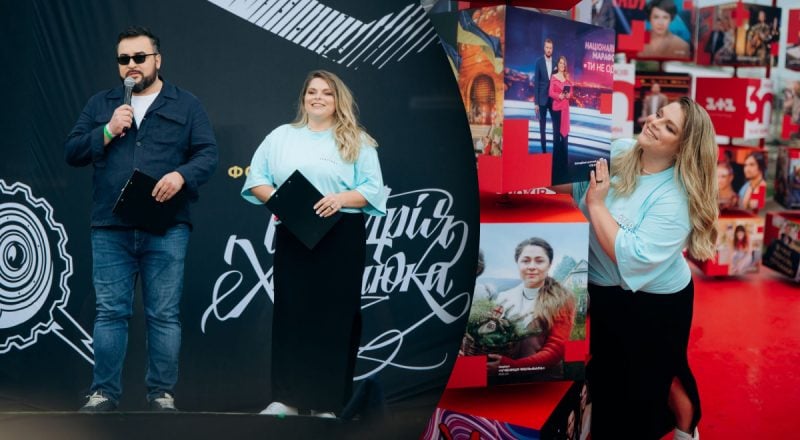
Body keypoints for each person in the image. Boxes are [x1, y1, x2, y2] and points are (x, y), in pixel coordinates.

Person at [64, 26, 219, 412]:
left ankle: (161, 395)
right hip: (110, 226)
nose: (131, 65)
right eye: (124, 59)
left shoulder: (186, 104)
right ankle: (103, 393)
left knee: (163, 314)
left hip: (166, 226)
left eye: (139, 57)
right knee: (110, 312)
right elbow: (72, 151)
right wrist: (107, 130)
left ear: (157, 60)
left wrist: (181, 175)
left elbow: (207, 154)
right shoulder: (102, 104)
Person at [555, 96, 717, 439]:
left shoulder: (676, 199)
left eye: (669, 127)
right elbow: (573, 184)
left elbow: (632, 256)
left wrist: (597, 204)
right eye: (659, 115)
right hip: (606, 291)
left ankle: (686, 428)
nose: (654, 123)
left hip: (656, 304)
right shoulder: (620, 151)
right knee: (609, 378)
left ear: (682, 148)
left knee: (654, 382)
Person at [241, 70, 386, 418]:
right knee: (291, 313)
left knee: (334, 316)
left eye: (326, 93)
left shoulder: (356, 140)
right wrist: (283, 203)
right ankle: (287, 399)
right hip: (295, 231)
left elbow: (372, 189)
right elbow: (256, 180)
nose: (318, 97)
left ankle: (326, 403)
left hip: (341, 233)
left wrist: (339, 199)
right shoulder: (280, 136)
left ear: (338, 101)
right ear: (303, 98)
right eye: (312, 92)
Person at [486, 237, 576, 379]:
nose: (531, 266)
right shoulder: (503, 297)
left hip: (543, 381)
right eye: (526, 261)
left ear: (549, 264)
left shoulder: (562, 299)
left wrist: (513, 367)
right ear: (517, 263)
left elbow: (556, 349)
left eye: (539, 261)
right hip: (502, 380)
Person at [549, 56, 573, 182]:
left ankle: (564, 166)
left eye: (564, 63)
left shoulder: (567, 78)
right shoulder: (554, 77)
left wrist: (568, 95)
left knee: (565, 136)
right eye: (560, 63)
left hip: (565, 109)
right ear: (558, 64)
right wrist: (559, 96)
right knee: (556, 137)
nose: (562, 65)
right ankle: (556, 166)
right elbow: (550, 93)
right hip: (557, 109)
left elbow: (571, 92)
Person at [534, 38, 558, 154]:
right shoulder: (538, 62)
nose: (549, 50)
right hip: (542, 100)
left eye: (550, 48)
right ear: (544, 48)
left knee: (555, 126)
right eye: (547, 47)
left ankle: (555, 150)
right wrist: (536, 103)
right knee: (542, 127)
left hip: (553, 100)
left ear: (552, 49)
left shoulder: (556, 63)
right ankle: (544, 151)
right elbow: (536, 83)